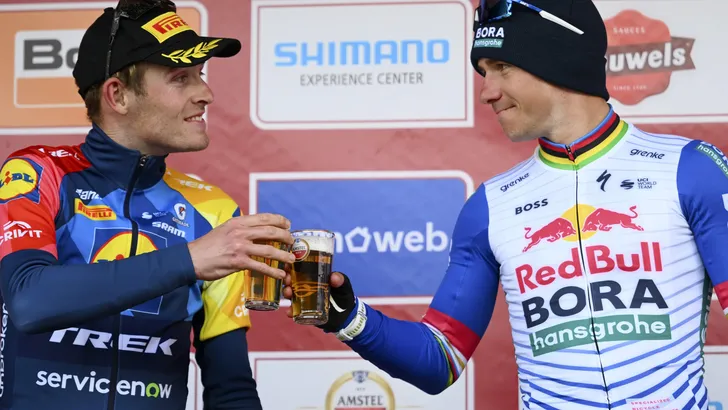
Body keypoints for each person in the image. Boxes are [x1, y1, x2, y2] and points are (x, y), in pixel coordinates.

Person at [283, 0, 728, 408]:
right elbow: (440, 358)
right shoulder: (490, 204)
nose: (487, 92)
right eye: (484, 72)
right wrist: (347, 317)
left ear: (559, 59)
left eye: (502, 67)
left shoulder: (690, 169)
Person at [0, 1, 295, 409]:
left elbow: (231, 389)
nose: (206, 94)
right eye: (181, 78)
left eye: (200, 76)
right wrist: (190, 259)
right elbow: (30, 301)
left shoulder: (215, 211)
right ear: (118, 95)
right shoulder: (40, 172)